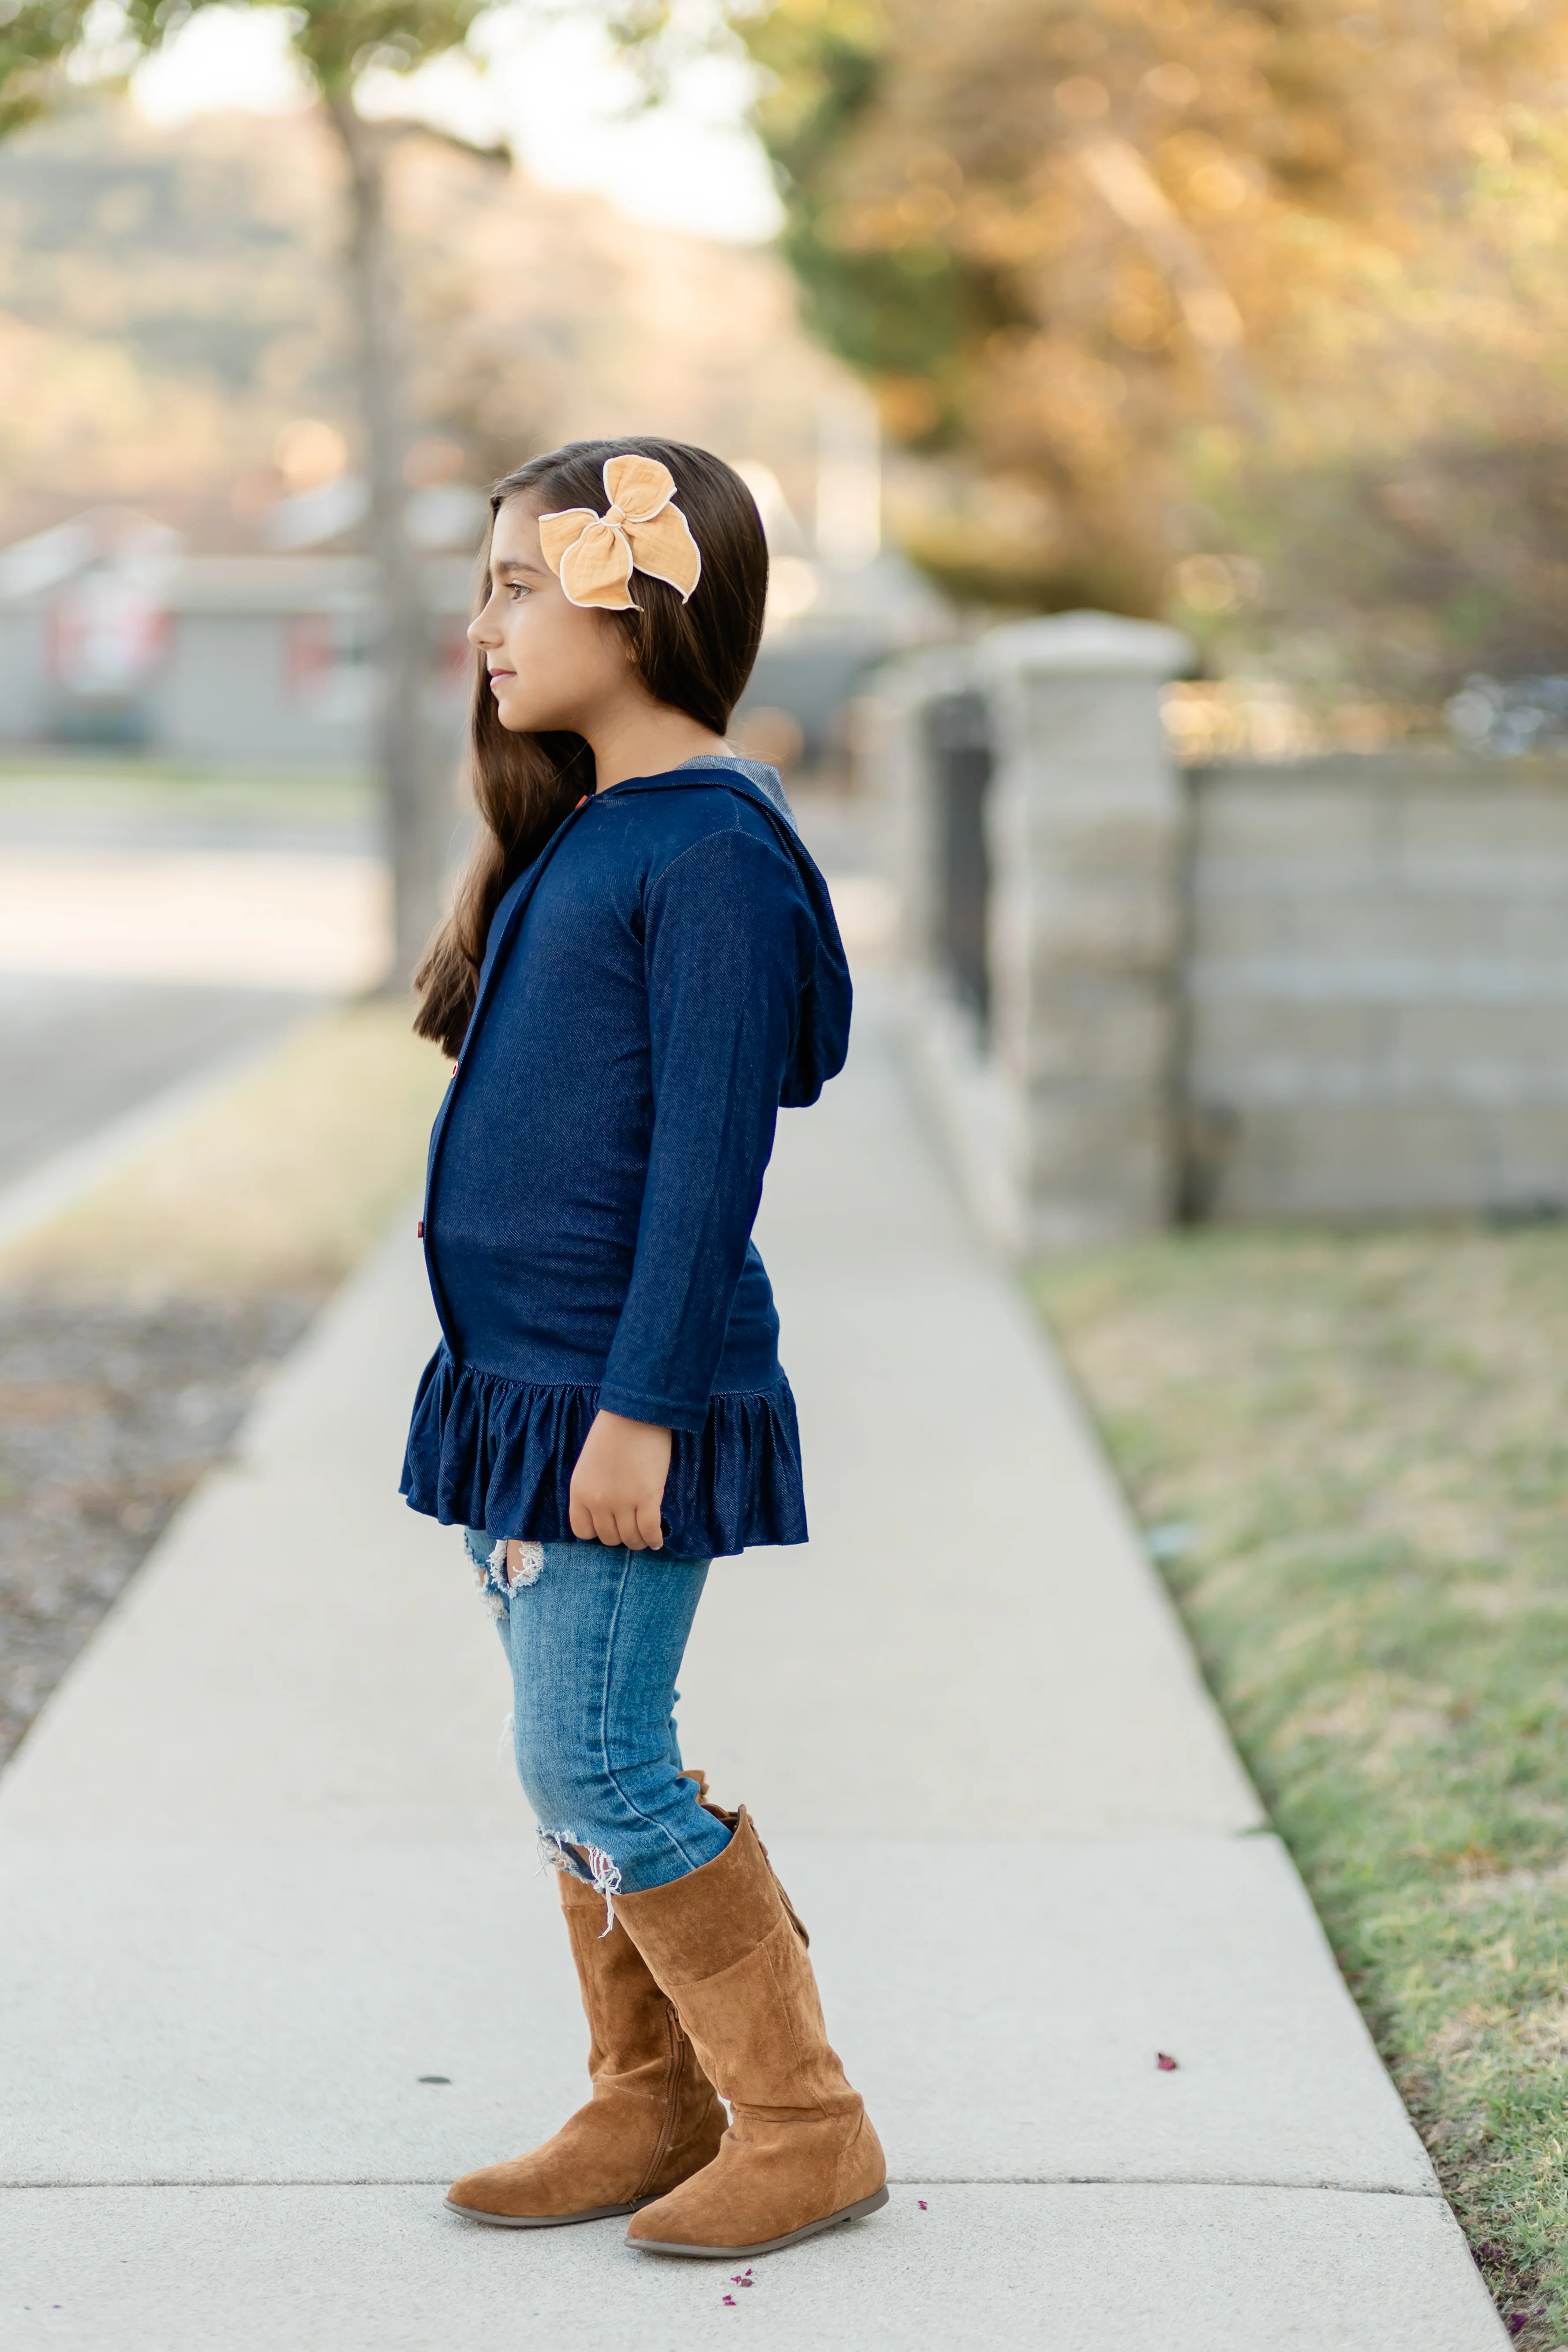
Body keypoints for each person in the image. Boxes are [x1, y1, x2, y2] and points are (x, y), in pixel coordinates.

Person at [401, 438, 887, 2260]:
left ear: (641, 600)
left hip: (617, 1398)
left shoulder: (712, 848)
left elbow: (709, 1167)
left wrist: (641, 1413)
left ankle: (806, 2121)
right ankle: (647, 2097)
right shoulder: (591, 825)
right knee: (567, 1759)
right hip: (518, 1390)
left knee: (600, 1759)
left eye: (521, 584)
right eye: (485, 591)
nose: (489, 627)